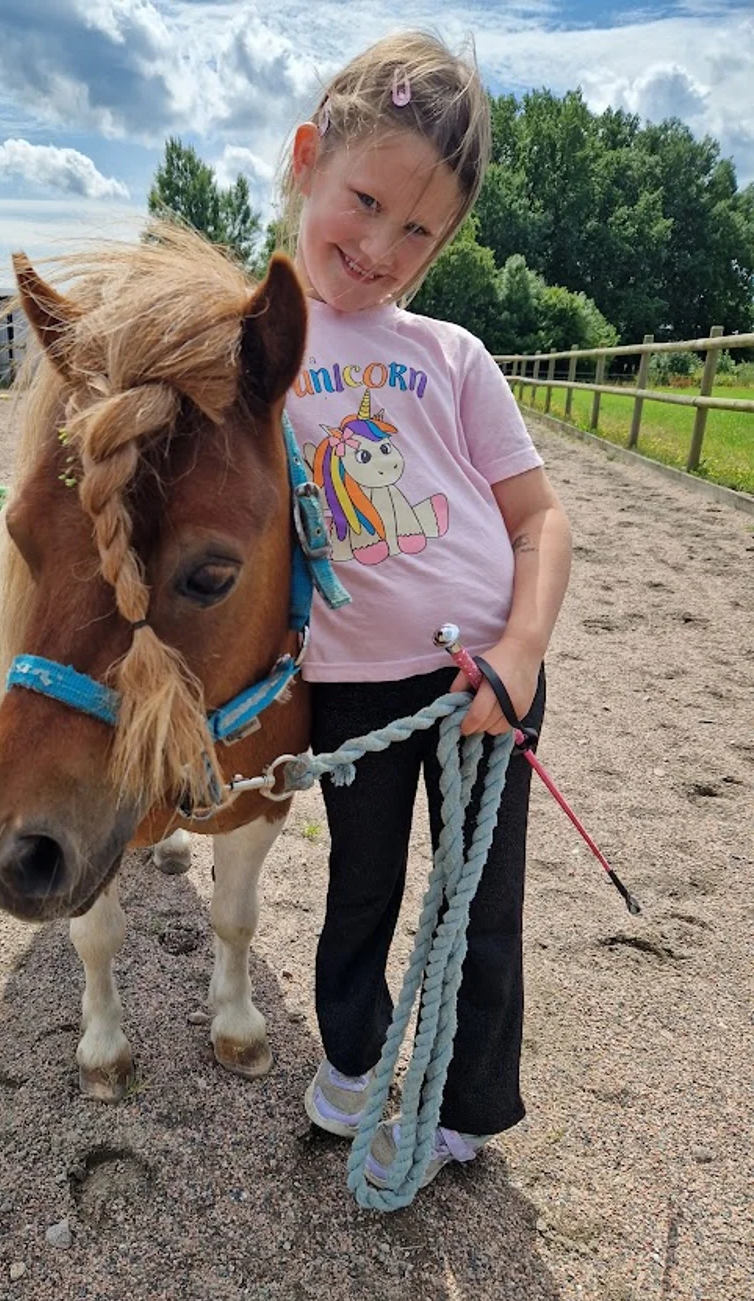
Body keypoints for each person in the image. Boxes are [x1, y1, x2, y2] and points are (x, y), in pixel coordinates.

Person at [278, 31, 572, 1190]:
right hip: (352, 685)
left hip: (488, 680)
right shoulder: (258, 343)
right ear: (309, 159)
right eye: (365, 202)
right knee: (361, 888)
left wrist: (522, 652)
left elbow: (540, 522)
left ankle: (464, 1100)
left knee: (480, 901)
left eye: (420, 234)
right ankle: (352, 1062)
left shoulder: (451, 354)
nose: (381, 250)